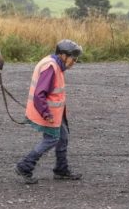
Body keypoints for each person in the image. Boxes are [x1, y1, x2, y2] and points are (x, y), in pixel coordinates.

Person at [15, 39, 84, 185]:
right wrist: (46, 114)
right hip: (48, 114)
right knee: (51, 139)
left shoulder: (55, 64)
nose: (74, 62)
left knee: (63, 137)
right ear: (63, 56)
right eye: (73, 58)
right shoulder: (51, 67)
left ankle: (61, 169)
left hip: (57, 114)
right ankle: (25, 166)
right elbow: (39, 94)